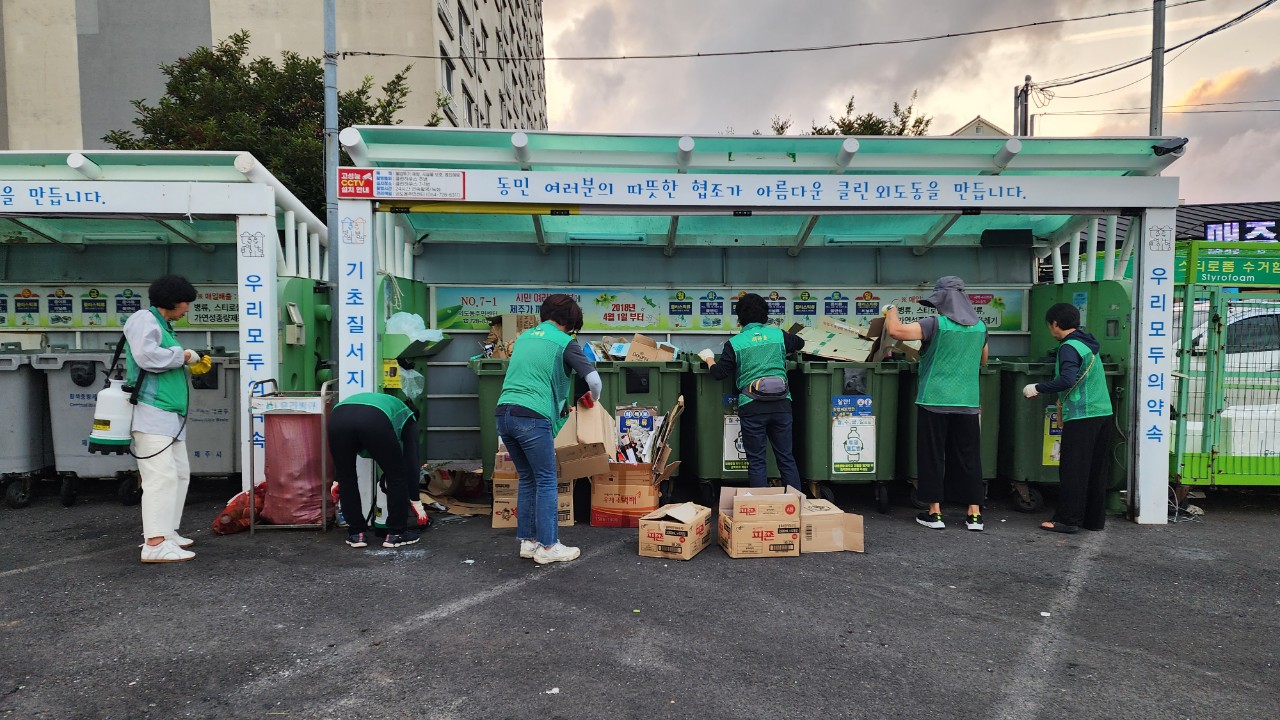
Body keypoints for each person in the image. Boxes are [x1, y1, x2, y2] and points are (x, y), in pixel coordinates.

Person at [495, 294, 601, 565]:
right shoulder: (565, 342)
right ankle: (549, 546)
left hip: (504, 412)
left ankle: (529, 542)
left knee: (528, 478)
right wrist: (593, 399)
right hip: (532, 415)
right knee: (545, 479)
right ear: (570, 321)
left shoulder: (525, 337)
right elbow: (594, 380)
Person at [885, 276, 989, 531]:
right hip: (967, 402)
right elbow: (983, 360)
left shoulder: (935, 324)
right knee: (969, 457)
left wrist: (891, 311)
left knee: (933, 456)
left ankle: (935, 513)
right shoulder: (980, 328)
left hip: (934, 400)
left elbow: (896, 331)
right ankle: (974, 515)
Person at [124, 275, 209, 563]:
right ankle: (155, 543)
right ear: (172, 301)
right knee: (160, 477)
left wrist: (190, 361)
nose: (187, 309)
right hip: (151, 412)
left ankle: (167, 532)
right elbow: (148, 357)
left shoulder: (162, 324)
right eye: (185, 303)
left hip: (169, 414)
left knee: (178, 474)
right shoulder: (143, 319)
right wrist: (184, 355)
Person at [1023, 303, 1114, 534]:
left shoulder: (1069, 347)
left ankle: (1067, 520)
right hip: (1102, 412)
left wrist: (1037, 387)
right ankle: (1093, 520)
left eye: (1049, 325)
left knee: (1074, 469)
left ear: (1055, 324)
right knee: (1095, 470)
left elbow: (1067, 379)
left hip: (1082, 414)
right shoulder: (1087, 343)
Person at [702, 293, 804, 490]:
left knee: (757, 461)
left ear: (740, 318)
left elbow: (719, 373)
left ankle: (762, 509)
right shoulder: (778, 335)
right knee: (786, 457)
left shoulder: (735, 343)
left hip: (752, 407)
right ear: (765, 314)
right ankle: (796, 504)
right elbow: (799, 343)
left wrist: (708, 359)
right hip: (782, 405)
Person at [328, 392, 423, 549]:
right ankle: (396, 533)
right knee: (397, 476)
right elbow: (411, 463)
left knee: (346, 478)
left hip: (337, 418)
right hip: (373, 420)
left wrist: (337, 478)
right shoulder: (408, 416)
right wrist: (415, 499)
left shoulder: (384, 402)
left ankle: (356, 534)